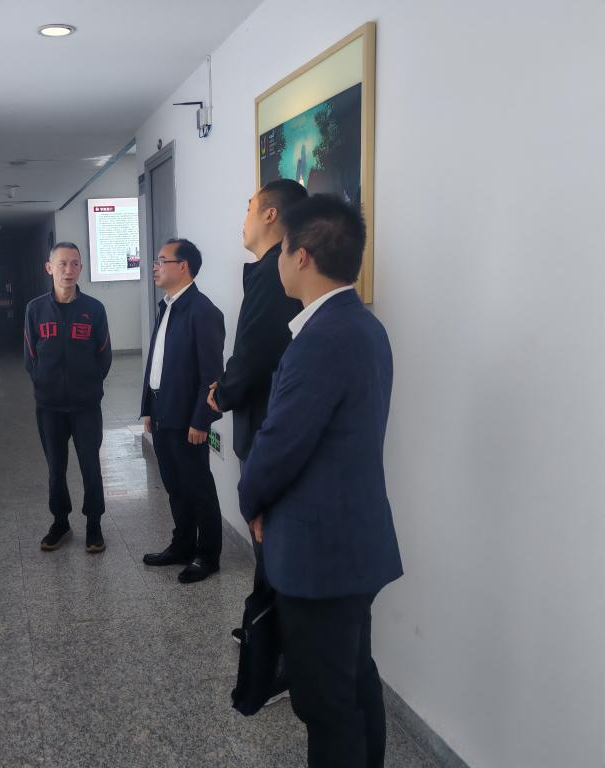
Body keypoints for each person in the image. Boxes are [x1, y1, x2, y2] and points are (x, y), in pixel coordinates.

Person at [238, 195, 403, 768]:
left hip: (320, 555)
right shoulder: (363, 325)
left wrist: (251, 501)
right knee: (354, 682)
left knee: (325, 703)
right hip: (354, 542)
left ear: (301, 256)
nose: (278, 263)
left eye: (282, 251)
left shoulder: (321, 339)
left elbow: (278, 445)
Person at [205, 179, 306, 642]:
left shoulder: (271, 272)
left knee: (269, 535)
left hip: (267, 421)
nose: (243, 217)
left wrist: (222, 394)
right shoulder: (270, 270)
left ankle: (271, 647)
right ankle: (267, 636)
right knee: (270, 536)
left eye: (249, 207)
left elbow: (255, 351)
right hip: (267, 416)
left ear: (270, 214)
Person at [140, 238, 225, 583]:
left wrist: (201, 420)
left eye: (162, 260)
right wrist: (148, 407)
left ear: (183, 266)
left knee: (198, 487)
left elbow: (212, 375)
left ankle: (208, 555)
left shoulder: (203, 311)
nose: (156, 267)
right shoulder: (167, 306)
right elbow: (156, 362)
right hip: (162, 410)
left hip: (188, 417)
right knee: (175, 485)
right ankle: (183, 544)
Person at [24, 242, 112, 553]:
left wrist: (88, 385)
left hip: (86, 406)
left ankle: (94, 523)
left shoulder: (94, 309)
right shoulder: (35, 309)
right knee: (55, 469)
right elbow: (30, 357)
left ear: (81, 269)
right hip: (49, 408)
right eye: (62, 264)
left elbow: (104, 355)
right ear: (49, 268)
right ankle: (60, 522)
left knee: (91, 466)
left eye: (75, 264)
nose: (68, 270)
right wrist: (45, 386)